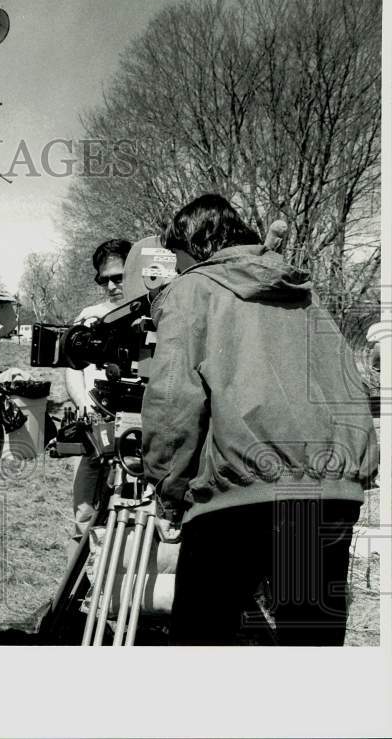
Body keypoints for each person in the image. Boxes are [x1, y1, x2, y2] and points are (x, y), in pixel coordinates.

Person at [142, 193, 378, 645]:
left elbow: (173, 403)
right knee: (308, 649)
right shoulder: (303, 296)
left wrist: (169, 491)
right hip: (327, 494)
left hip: (239, 495)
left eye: (179, 256)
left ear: (195, 245)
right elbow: (349, 388)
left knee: (200, 644)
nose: (178, 267)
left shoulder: (193, 289)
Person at [63, 238, 132, 555]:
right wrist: (83, 404)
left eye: (119, 276)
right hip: (96, 426)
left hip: (135, 433)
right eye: (105, 279)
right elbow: (72, 368)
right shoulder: (89, 316)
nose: (112, 285)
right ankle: (85, 576)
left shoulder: (153, 314)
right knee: (85, 510)